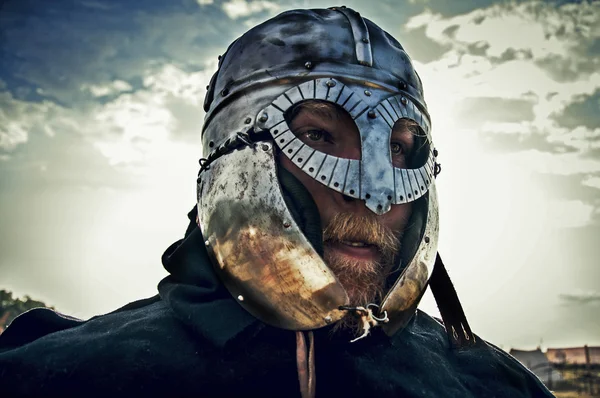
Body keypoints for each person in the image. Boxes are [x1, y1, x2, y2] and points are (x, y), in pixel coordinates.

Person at [0, 6, 553, 397]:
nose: (372, 195)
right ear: (233, 154)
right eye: (318, 135)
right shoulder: (53, 379)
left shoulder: (493, 387)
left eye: (401, 149)